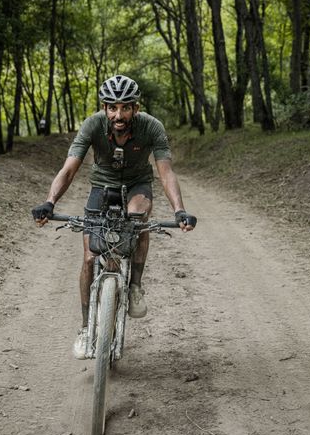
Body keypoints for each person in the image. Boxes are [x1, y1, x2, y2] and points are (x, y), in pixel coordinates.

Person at [32, 74, 197, 359]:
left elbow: (165, 171)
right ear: (105, 107)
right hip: (102, 185)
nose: (118, 114)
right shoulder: (92, 125)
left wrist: (179, 210)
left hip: (137, 185)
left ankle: (134, 287)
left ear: (136, 107)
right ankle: (86, 329)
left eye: (125, 107)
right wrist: (50, 201)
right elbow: (70, 168)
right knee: (88, 257)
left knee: (138, 218)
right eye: (112, 107)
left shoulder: (151, 127)